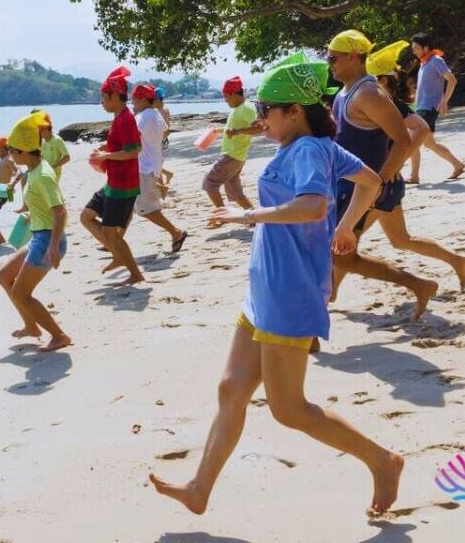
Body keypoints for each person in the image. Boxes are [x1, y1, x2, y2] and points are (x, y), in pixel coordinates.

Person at [149, 57, 404, 517]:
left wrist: (246, 215)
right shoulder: (318, 146)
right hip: (266, 288)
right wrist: (345, 227)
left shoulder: (307, 150)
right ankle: (198, 489)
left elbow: (310, 206)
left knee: (289, 409)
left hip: (290, 292)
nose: (261, 118)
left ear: (294, 111)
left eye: (267, 110)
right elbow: (368, 181)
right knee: (231, 389)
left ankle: (382, 461)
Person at [330, 48, 465, 294]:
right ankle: (456, 260)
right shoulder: (358, 97)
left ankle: (333, 293)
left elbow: (421, 129)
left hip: (377, 185)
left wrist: (392, 168)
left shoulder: (379, 99)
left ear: (382, 80)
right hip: (380, 184)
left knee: (346, 247)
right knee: (399, 240)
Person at [326, 30, 438, 320]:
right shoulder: (345, 93)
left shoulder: (368, 93)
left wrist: (385, 176)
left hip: (363, 189)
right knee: (344, 253)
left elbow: (406, 137)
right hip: (347, 187)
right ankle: (419, 285)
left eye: (333, 58)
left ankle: (419, 284)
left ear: (353, 57)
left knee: (340, 253)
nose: (330, 63)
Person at [0, 112, 72, 352]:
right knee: (4, 277)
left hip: (48, 241)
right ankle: (31, 326)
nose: (11, 155)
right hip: (39, 236)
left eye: (13, 150)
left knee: (21, 293)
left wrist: (53, 246)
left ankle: (59, 336)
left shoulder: (43, 175)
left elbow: (60, 211)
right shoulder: (35, 169)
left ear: (24, 152)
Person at [80, 66, 144, 285]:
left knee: (110, 233)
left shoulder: (126, 119)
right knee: (86, 216)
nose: (102, 102)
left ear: (116, 97)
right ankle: (118, 254)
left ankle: (135, 273)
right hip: (113, 183)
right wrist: (104, 149)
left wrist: (106, 155)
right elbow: (121, 146)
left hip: (124, 185)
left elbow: (134, 151)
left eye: (104, 97)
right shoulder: (119, 118)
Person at [132, 83, 187, 252]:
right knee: (130, 205)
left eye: (134, 100)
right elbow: (163, 132)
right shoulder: (156, 115)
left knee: (146, 209)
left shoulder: (141, 118)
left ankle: (176, 232)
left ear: (141, 99)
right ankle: (113, 238)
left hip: (143, 167)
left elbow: (132, 139)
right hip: (153, 165)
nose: (132, 103)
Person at [408, 33, 465, 182]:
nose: (413, 51)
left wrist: (445, 101)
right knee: (428, 143)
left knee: (412, 141)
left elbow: (452, 79)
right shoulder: (424, 63)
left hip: (428, 109)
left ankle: (414, 176)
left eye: (416, 48)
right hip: (421, 108)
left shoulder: (435, 60)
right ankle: (457, 164)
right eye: (413, 48)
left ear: (425, 47)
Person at [204, 76, 258, 211]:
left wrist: (238, 131)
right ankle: (255, 219)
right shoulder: (239, 108)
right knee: (235, 191)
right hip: (236, 156)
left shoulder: (246, 109)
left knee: (209, 183)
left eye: (226, 96)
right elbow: (233, 130)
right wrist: (219, 130)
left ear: (233, 94)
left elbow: (259, 128)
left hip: (232, 156)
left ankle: (222, 216)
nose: (225, 100)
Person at [36, 111, 71, 181]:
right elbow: (41, 157)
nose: (39, 131)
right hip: (44, 173)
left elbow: (67, 157)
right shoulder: (42, 142)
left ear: (48, 129)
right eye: (39, 129)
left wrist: (54, 167)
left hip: (54, 173)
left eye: (42, 129)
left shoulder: (57, 140)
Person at [153, 87, 174, 191]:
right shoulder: (165, 109)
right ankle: (165, 177)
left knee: (156, 162)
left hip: (159, 139)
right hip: (164, 138)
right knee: (157, 161)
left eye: (152, 100)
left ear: (157, 100)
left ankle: (161, 185)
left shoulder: (158, 111)